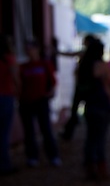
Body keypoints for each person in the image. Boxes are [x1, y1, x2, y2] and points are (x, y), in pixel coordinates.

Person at [18, 40, 61, 168]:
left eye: (30, 48)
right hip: (26, 102)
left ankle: (53, 156)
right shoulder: (23, 67)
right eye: (27, 49)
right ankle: (32, 156)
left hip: (41, 101)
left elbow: (53, 82)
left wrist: (51, 92)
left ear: (37, 49)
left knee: (46, 129)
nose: (28, 51)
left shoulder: (44, 64)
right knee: (29, 131)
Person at [78, 39, 110, 180]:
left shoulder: (83, 66)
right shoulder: (102, 66)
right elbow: (108, 86)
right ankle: (101, 169)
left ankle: (89, 168)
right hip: (101, 105)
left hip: (89, 105)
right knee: (100, 139)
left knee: (90, 138)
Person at [59, 34, 98, 141]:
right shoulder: (93, 56)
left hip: (82, 87)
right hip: (87, 88)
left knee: (76, 111)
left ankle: (70, 132)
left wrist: (57, 52)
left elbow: (71, 54)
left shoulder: (85, 54)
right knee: (83, 112)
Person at [0, 35, 19, 176]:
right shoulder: (9, 59)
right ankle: (4, 164)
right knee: (4, 133)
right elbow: (15, 78)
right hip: (5, 97)